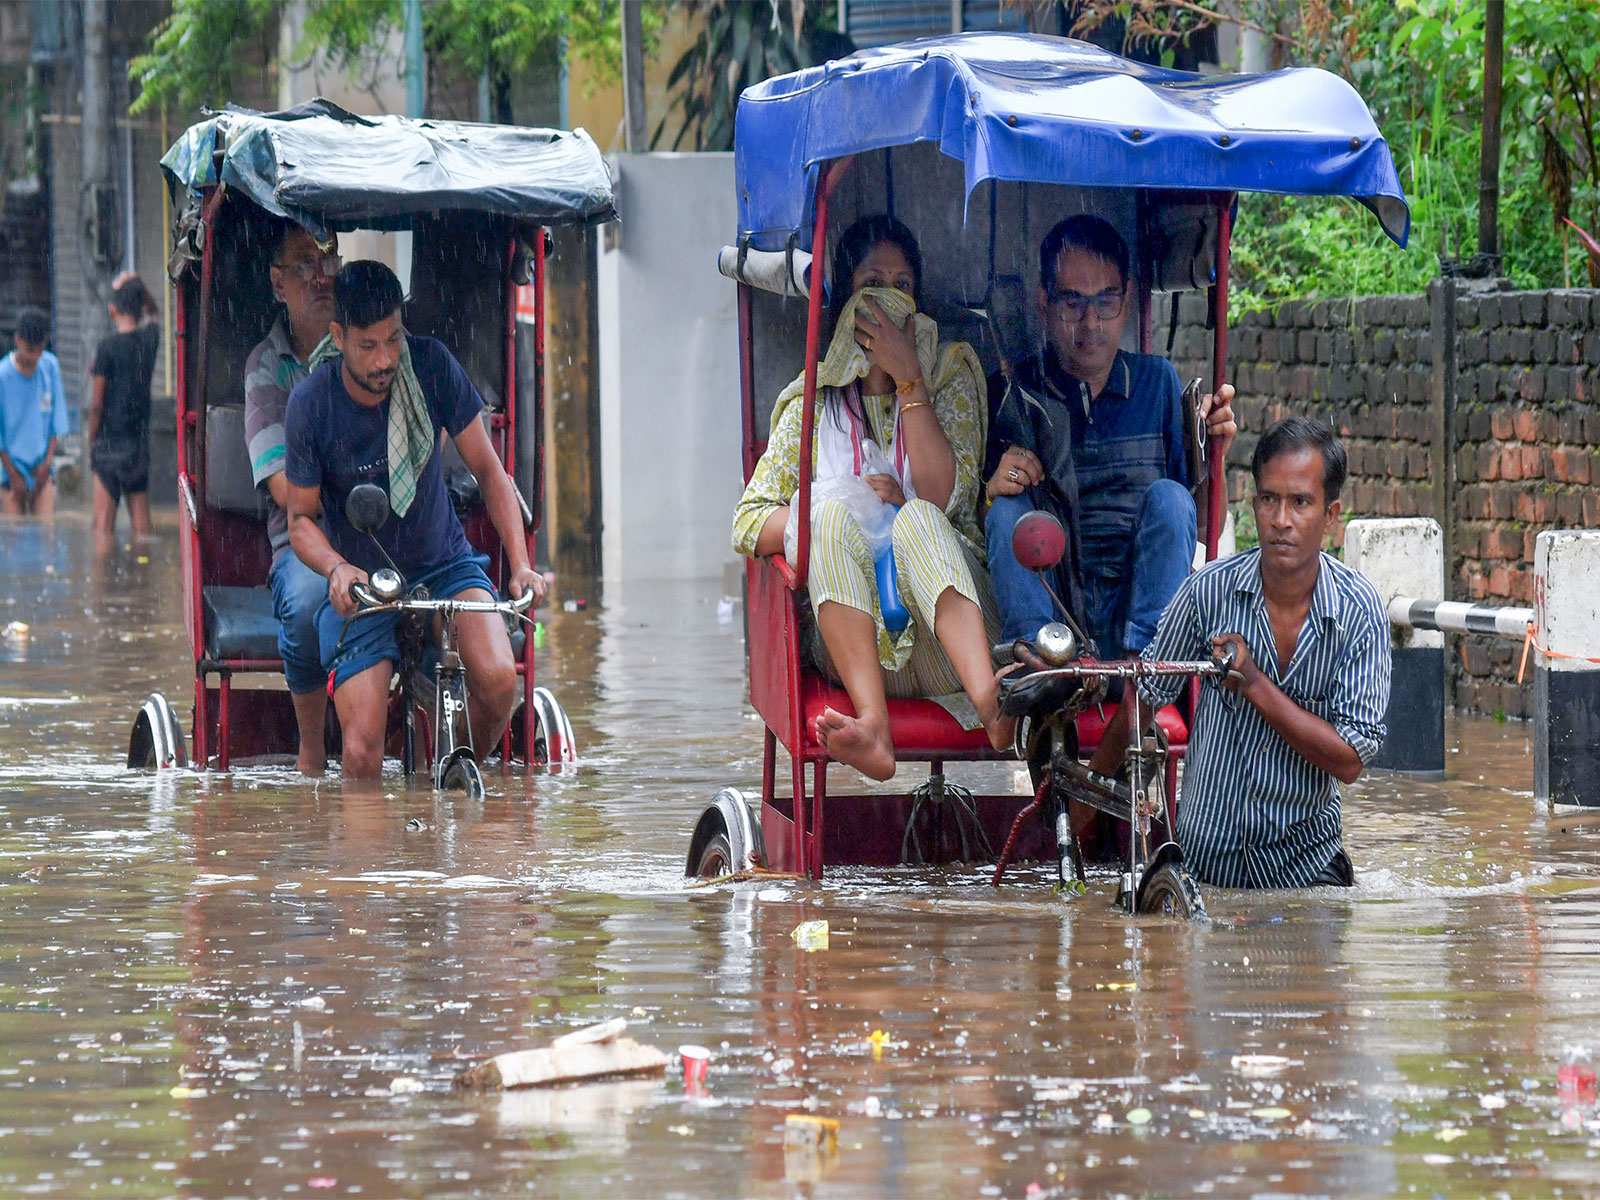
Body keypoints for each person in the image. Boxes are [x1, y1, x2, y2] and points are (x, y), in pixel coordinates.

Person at [732, 214, 1009, 781]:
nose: (888, 300)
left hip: (947, 647)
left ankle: (993, 706)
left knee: (918, 519)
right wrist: (836, 501)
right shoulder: (810, 403)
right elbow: (747, 523)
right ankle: (873, 727)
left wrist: (910, 379)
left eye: (902, 286)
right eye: (871, 286)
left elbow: (944, 498)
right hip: (855, 653)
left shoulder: (953, 374)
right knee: (825, 515)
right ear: (846, 302)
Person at [284, 261, 545, 779]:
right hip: (365, 584)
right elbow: (300, 521)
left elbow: (492, 474)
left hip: (445, 563)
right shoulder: (311, 405)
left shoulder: (430, 366)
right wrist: (337, 568)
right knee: (361, 752)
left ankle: (440, 770)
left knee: (498, 683)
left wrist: (519, 565)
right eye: (367, 346)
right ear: (338, 337)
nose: (384, 360)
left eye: (392, 340)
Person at [1105, 417, 1391, 888]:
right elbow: (1145, 695)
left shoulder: (1358, 612)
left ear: (1331, 515)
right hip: (1204, 867)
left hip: (1307, 867)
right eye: (1269, 500)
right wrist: (1082, 810)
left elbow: (1350, 759)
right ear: (1252, 503)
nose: (1281, 520)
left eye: (1300, 503)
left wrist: (1256, 685)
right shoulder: (1207, 593)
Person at [984, 215, 1238, 660]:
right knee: (1006, 510)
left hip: (1138, 605)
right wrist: (990, 491)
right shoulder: (1012, 393)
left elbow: (1198, 527)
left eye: (1106, 301)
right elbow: (979, 524)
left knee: (1172, 498)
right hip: (1052, 599)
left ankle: (1148, 670)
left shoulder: (1156, 382)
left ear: (1128, 300)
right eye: (1072, 302)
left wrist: (1216, 456)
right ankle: (1036, 664)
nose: (1090, 323)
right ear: (1044, 303)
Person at [244, 224, 340, 775]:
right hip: (299, 545)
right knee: (306, 606)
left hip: (377, 537)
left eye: (327, 258)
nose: (320, 274)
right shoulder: (266, 367)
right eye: (305, 263)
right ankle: (312, 748)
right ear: (279, 283)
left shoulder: (364, 351)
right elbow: (285, 489)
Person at [88, 274, 161, 545]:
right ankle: (144, 578)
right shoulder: (149, 340)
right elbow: (154, 312)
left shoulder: (107, 348)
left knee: (102, 530)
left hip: (108, 445)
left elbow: (96, 403)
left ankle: (104, 584)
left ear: (112, 310)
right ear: (140, 307)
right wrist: (139, 284)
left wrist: (91, 442)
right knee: (142, 530)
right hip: (137, 446)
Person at [0, 307, 68, 517]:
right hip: (9, 471)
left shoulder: (50, 367)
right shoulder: (2, 376)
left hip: (42, 468)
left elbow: (55, 423)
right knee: (14, 535)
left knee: (46, 534)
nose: (35, 357)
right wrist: (13, 475)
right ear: (17, 340)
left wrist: (46, 465)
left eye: (39, 350)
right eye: (30, 350)